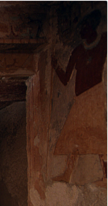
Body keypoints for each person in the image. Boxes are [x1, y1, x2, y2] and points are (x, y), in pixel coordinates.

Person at [51, 10, 108, 182]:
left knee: (98, 135)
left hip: (95, 94)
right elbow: (66, 78)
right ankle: (68, 174)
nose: (81, 31)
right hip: (80, 98)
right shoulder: (77, 50)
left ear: (92, 27)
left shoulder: (104, 41)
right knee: (71, 135)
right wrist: (55, 65)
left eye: (84, 27)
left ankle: (106, 177)